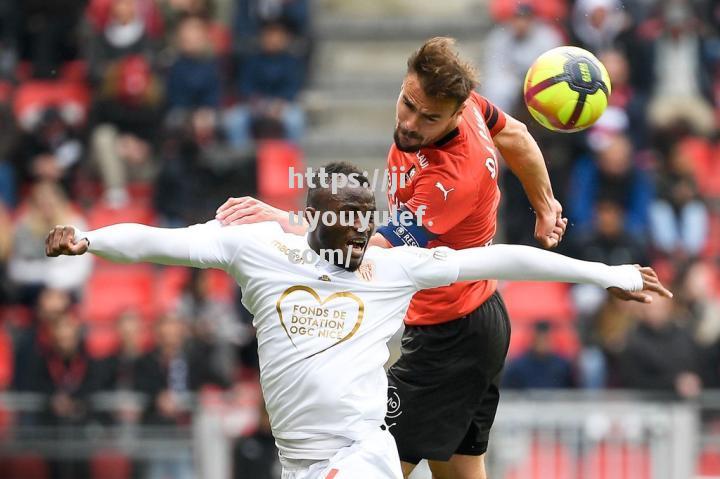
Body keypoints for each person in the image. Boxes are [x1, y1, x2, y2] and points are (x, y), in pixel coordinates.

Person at [47, 163, 671, 479]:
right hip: (300, 462)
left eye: (365, 215)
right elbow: (163, 243)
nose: (357, 227)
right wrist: (90, 238)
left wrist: (604, 274)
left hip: (363, 453)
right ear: (311, 215)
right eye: (343, 217)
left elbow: (503, 257)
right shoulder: (259, 249)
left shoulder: (393, 267)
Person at [216, 37, 568, 478]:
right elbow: (515, 135)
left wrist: (286, 220)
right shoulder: (465, 99)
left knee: (370, 460)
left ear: (456, 114)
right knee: (459, 470)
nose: (411, 122)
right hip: (473, 320)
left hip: (451, 336)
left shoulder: (451, 179)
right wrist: (545, 202)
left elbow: (364, 252)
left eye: (429, 118)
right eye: (408, 103)